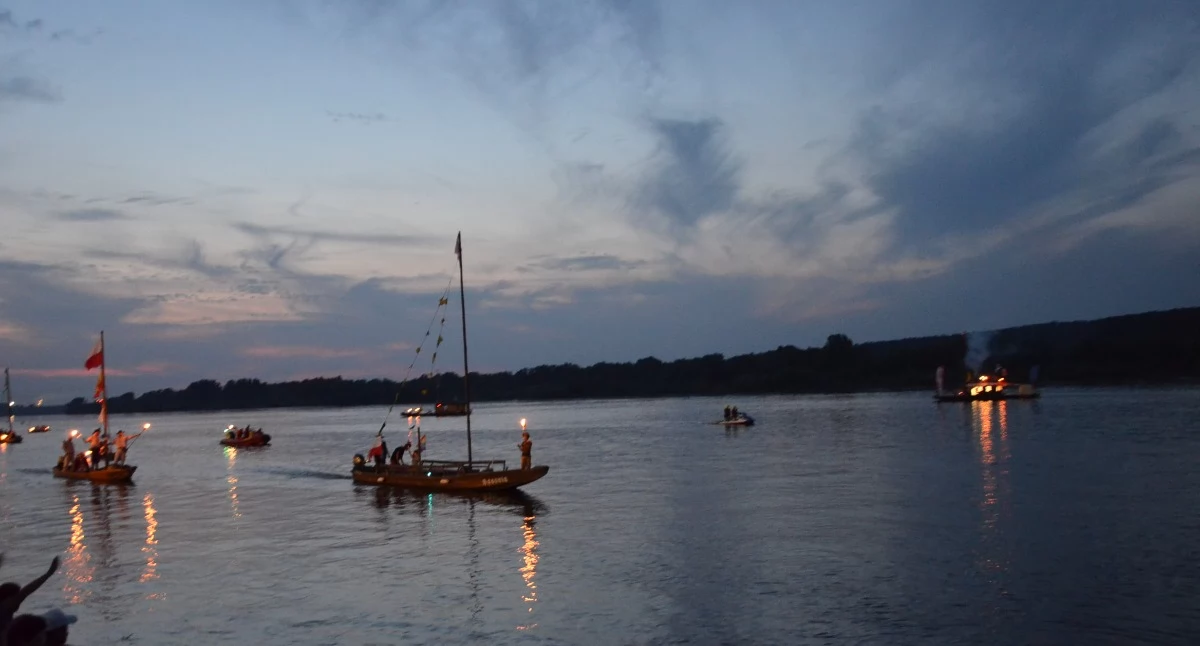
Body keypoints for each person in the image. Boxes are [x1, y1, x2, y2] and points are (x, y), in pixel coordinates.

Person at [0, 556, 59, 643]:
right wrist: (48, 574)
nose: (19, 602)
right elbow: (26, 591)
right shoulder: (3, 610)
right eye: (17, 597)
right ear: (8, 598)